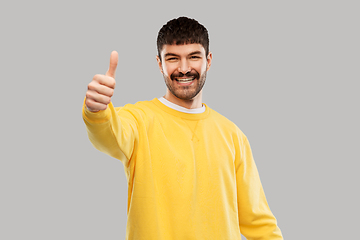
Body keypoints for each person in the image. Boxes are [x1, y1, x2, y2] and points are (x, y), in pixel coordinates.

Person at [83, 16, 283, 240]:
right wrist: (97, 111)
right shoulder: (138, 120)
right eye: (173, 58)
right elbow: (109, 135)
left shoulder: (233, 135)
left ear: (208, 60)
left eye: (193, 57)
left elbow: (259, 223)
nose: (184, 68)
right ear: (160, 64)